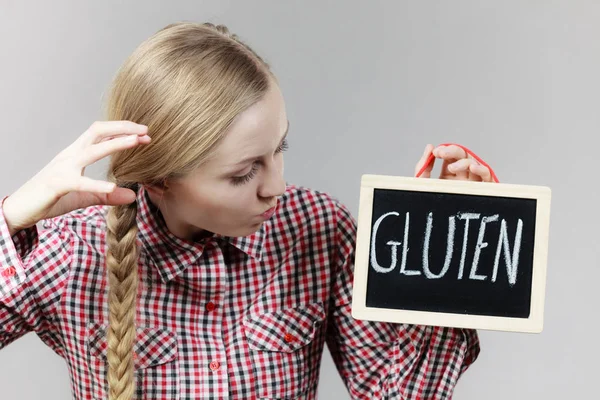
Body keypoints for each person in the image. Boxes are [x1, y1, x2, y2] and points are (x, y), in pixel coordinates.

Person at [0, 22, 492, 400]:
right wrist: (13, 217)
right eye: (243, 173)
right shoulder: (69, 252)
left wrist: (445, 251)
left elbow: (399, 393)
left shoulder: (318, 228)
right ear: (158, 178)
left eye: (280, 148)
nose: (276, 186)